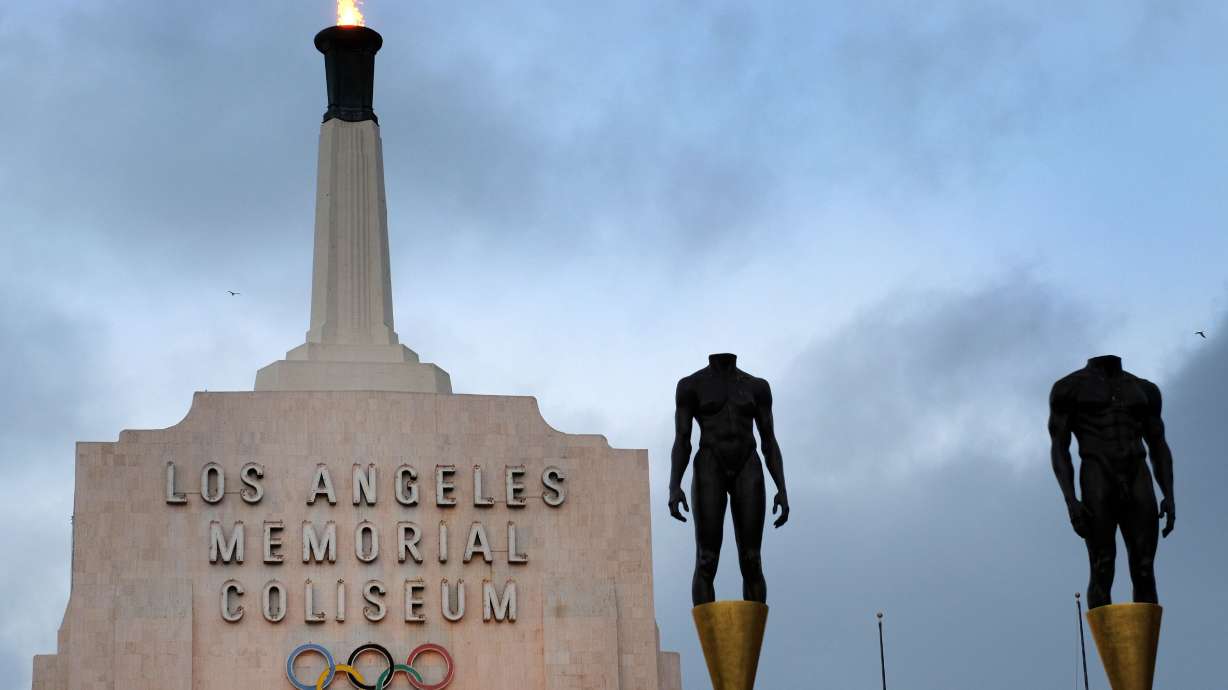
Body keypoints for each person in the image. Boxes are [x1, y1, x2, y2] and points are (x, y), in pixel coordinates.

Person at [1049, 355, 1175, 609]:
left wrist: (1169, 495)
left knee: (1144, 568)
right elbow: (1059, 447)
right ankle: (1109, 647)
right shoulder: (1069, 387)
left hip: (1137, 474)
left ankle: (1141, 648)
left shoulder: (1145, 390)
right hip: (1097, 474)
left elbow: (1158, 444)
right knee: (1102, 565)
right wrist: (1071, 500)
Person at [669, 353, 789, 606]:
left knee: (752, 559)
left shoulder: (757, 387)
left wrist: (781, 487)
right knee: (706, 558)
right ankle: (710, 641)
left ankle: (752, 643)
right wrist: (674, 485)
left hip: (747, 462)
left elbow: (769, 439)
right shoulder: (691, 385)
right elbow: (682, 438)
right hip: (710, 462)